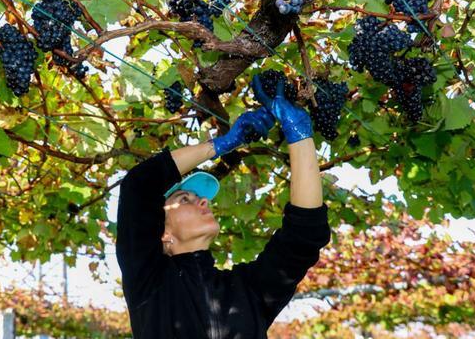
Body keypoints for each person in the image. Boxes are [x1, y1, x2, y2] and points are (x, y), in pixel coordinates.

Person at [117, 76, 331, 338]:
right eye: (185, 198)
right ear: (164, 234)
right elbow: (138, 187)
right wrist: (221, 144)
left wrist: (299, 133)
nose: (203, 201)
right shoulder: (148, 281)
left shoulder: (247, 290)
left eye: (193, 198)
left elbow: (305, 236)